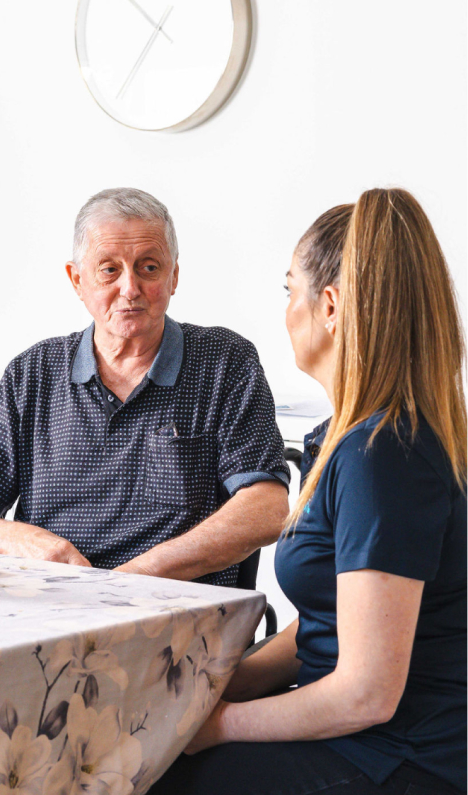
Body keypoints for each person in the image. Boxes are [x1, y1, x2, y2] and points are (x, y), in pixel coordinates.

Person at [149, 189, 467, 795]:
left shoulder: (386, 458)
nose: (285, 308)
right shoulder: (350, 441)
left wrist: (220, 727)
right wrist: (207, 691)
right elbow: (326, 626)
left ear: (329, 306)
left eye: (288, 288)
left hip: (400, 757)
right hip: (364, 737)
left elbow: (367, 693)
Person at [0, 187, 289, 586]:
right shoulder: (32, 374)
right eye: (109, 269)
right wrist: (29, 543)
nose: (130, 288)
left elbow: (266, 509)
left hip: (173, 611)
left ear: (174, 277)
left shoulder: (224, 362)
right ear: (77, 280)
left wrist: (132, 578)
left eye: (149, 268)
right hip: (51, 606)